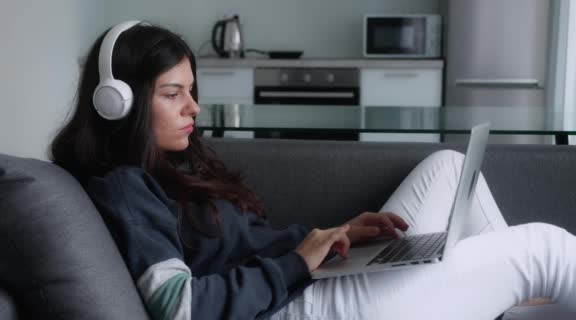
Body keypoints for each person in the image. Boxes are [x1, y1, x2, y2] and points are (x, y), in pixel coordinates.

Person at [49, 21, 576, 320]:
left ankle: (501, 301)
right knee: (544, 248)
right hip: (297, 311)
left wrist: (336, 238)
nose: (193, 107)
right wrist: (297, 264)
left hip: (304, 284)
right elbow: (180, 307)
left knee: (447, 165)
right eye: (173, 94)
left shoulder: (166, 164)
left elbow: (241, 247)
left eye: (192, 91)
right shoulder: (125, 188)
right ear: (117, 102)